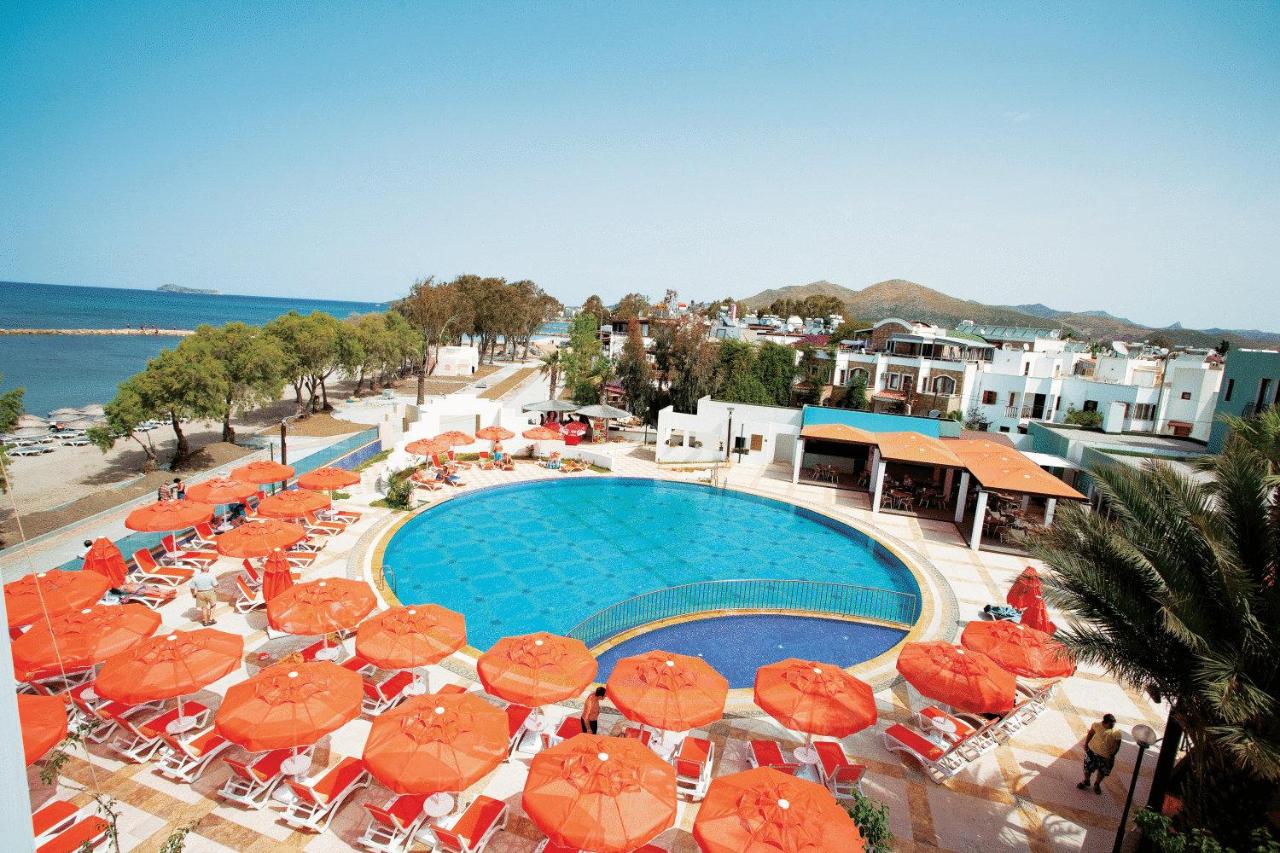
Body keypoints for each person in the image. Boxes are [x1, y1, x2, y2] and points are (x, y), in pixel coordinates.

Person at [1078, 713, 1122, 794]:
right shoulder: (1096, 725)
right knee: (1087, 768)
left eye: (1113, 724)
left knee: (1102, 771)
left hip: (1106, 756)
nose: (1112, 726)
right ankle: (1086, 781)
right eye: (1111, 724)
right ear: (1104, 722)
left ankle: (1097, 784)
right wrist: (1086, 744)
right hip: (1092, 752)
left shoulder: (1116, 732)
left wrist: (1112, 755)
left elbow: (1117, 745)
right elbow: (1090, 733)